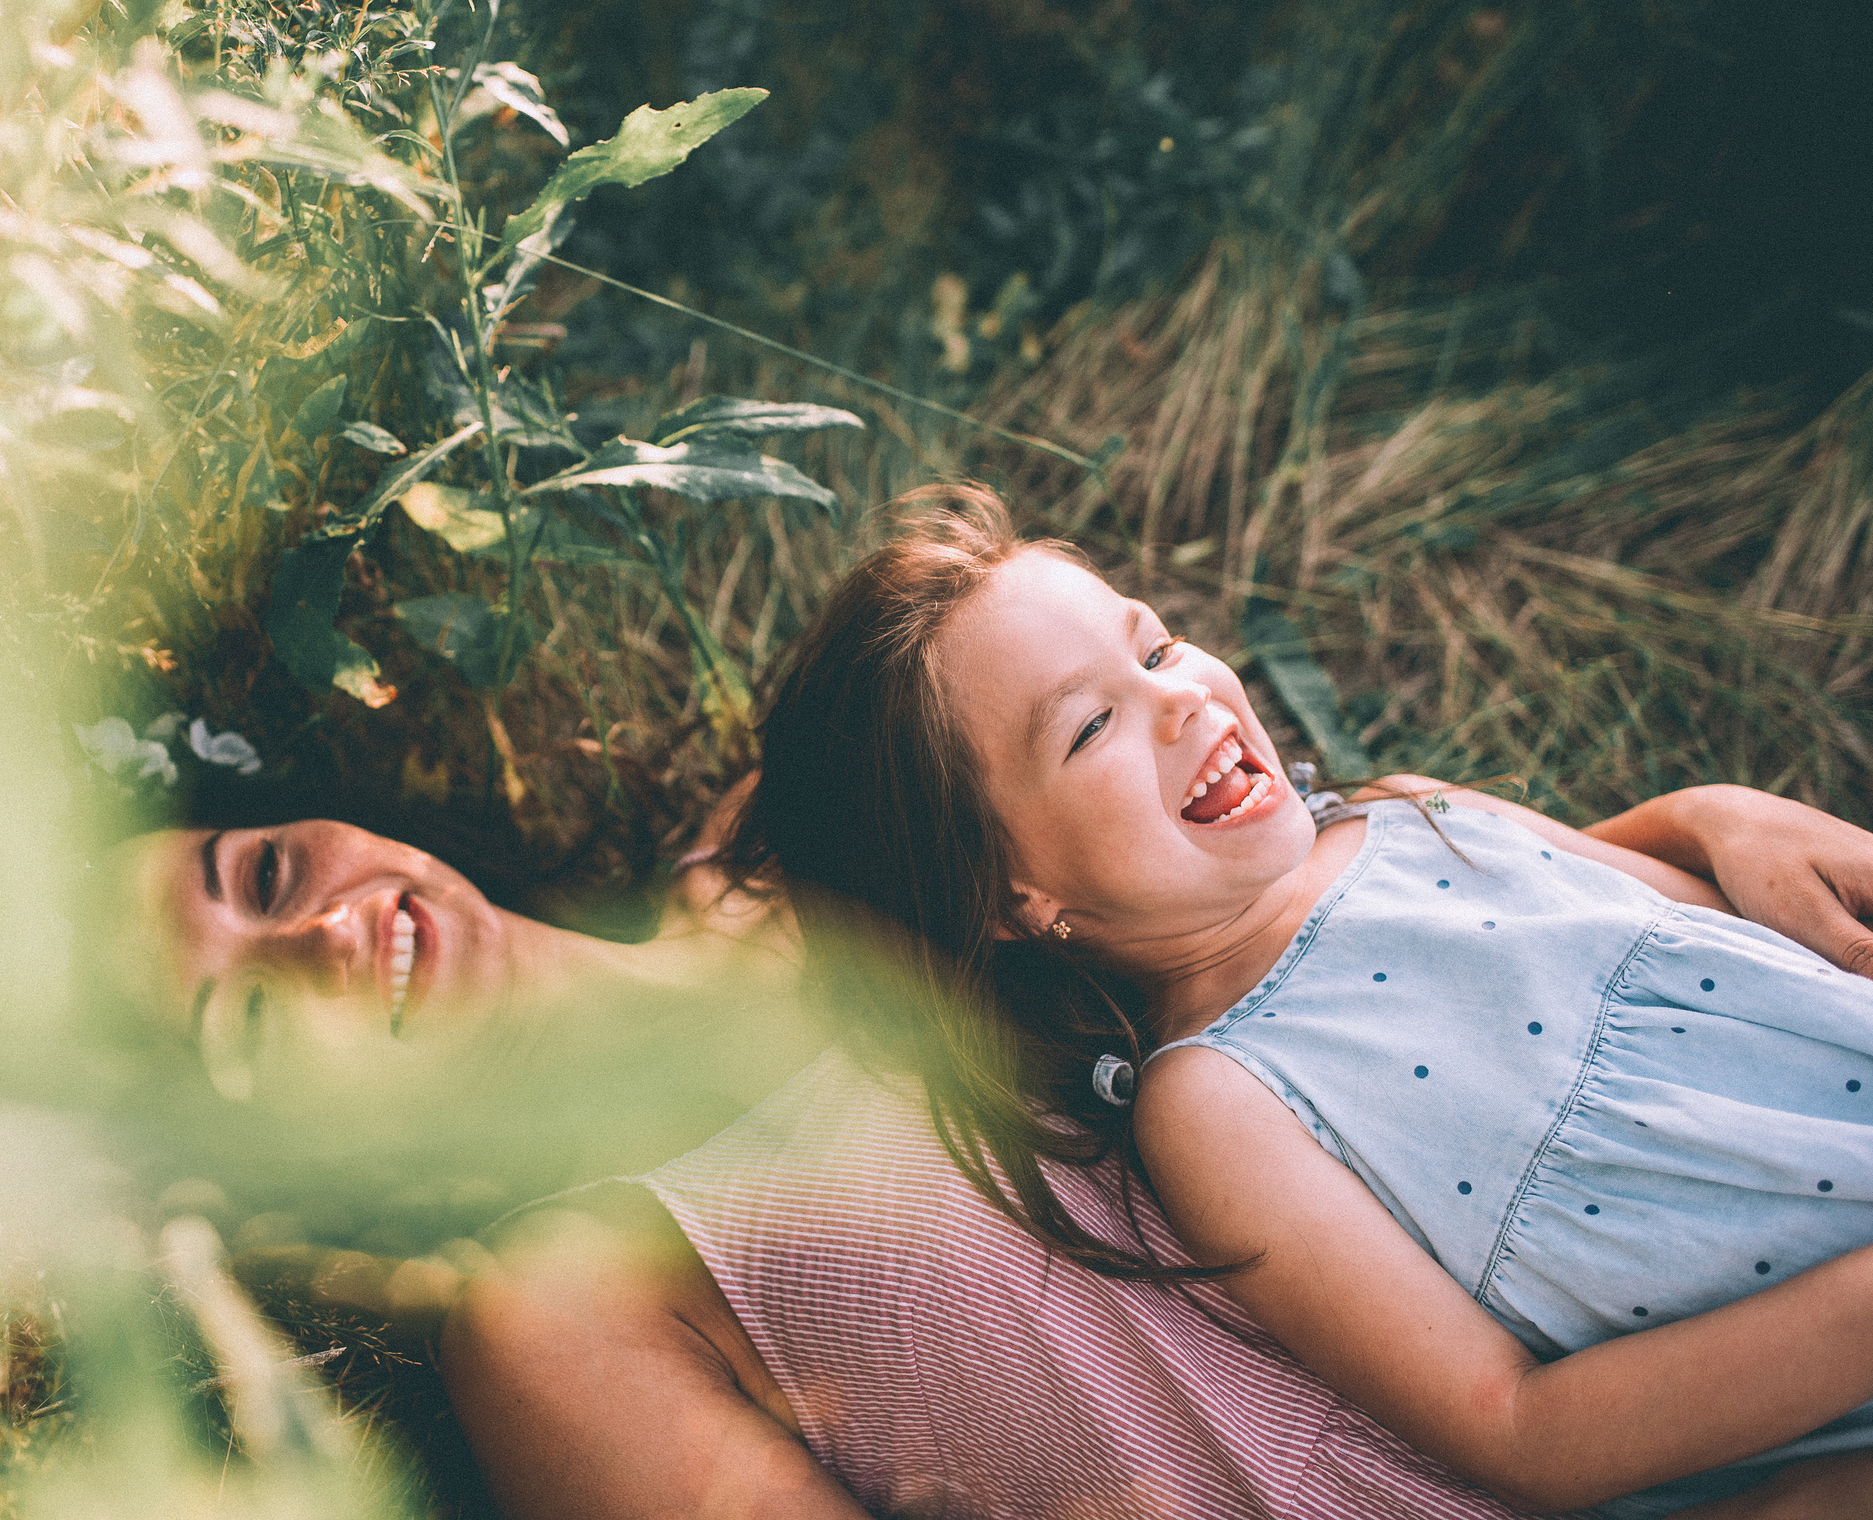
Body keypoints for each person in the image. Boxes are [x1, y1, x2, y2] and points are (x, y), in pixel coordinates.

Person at [121, 763, 1873, 1516]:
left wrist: (1684, 826)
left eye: (263, 869)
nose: (330, 933)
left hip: (1696, 1281)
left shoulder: (807, 835)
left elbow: (1346, 941)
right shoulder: (562, 1300)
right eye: (255, 1021)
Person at [703, 483, 1873, 1517]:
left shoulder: (1410, 812)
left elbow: (1663, 939)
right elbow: (1524, 1432)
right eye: (1092, 724)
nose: (1180, 700)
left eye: (1154, 648)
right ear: (1011, 895)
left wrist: (1709, 811)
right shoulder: (1215, 1099)